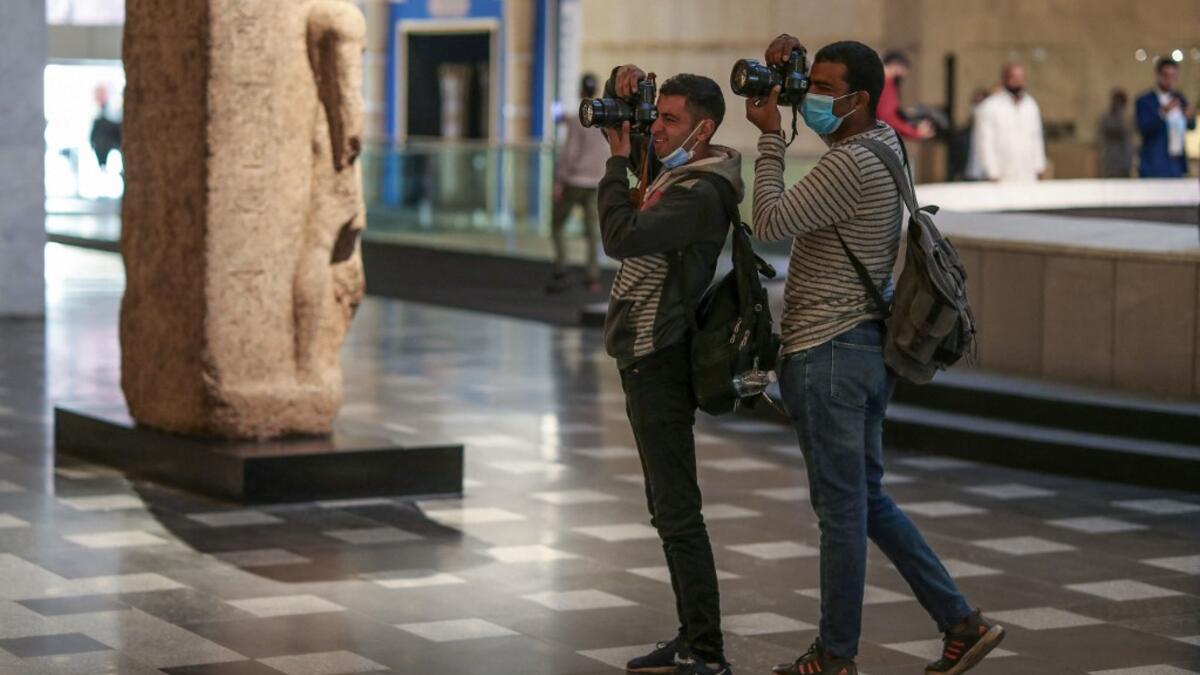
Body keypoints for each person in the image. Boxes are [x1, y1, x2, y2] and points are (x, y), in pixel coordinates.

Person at [743, 35, 1005, 675]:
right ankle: (960, 622)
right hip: (862, 346)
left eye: (825, 88)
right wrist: (795, 77)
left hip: (829, 351)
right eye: (812, 84)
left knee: (841, 514)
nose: (812, 97)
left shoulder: (849, 163)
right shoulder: (885, 145)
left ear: (858, 99)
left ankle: (835, 656)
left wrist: (772, 134)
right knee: (866, 500)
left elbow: (770, 219)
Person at [599, 66, 742, 675]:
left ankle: (705, 648)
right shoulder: (682, 175)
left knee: (677, 507)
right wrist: (621, 95)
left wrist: (614, 163)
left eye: (670, 120)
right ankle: (694, 640)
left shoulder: (701, 192)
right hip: (644, 353)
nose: (656, 129)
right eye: (657, 117)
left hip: (659, 355)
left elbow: (620, 232)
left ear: (704, 129)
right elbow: (640, 178)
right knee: (668, 505)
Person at [546, 73, 611, 294]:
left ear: (580, 90)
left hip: (574, 180)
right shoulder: (603, 119)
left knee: (556, 224)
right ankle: (592, 275)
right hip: (596, 181)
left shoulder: (577, 120)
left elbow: (569, 153)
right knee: (592, 230)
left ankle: (562, 269)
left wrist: (559, 181)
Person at [972, 64, 1046, 182]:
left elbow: (1036, 137)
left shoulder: (1031, 105)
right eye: (1013, 78)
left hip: (1027, 173)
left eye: (1021, 78)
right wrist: (992, 172)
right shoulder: (990, 106)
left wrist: (1039, 166)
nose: (1018, 82)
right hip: (1001, 175)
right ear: (1004, 80)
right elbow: (984, 142)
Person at [1136, 58, 1196, 178]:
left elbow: (1191, 126)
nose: (1170, 80)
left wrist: (1189, 117)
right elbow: (1144, 128)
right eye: (1166, 76)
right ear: (1158, 75)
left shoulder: (1180, 98)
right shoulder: (1145, 101)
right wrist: (1162, 112)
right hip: (1154, 163)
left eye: (1174, 76)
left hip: (1176, 163)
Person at [877, 50, 935, 141]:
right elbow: (888, 118)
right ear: (895, 66)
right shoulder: (886, 84)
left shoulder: (881, 82)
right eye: (903, 70)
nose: (904, 75)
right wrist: (915, 132)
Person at [1099, 89, 1134, 178]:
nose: (1117, 104)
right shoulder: (1106, 119)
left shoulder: (1127, 118)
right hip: (1110, 163)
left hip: (1124, 163)